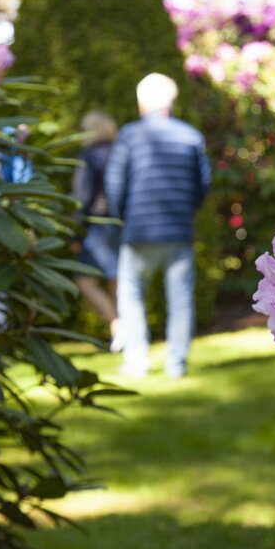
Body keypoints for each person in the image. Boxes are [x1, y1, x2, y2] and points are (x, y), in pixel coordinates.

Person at [105, 73, 212, 378]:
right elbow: (202, 185)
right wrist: (187, 211)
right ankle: (176, 364)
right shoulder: (191, 136)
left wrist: (122, 216)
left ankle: (137, 360)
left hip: (138, 231)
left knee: (131, 294)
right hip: (179, 230)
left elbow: (115, 183)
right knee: (180, 299)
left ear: (142, 102)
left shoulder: (128, 135)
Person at [71, 110, 123, 350]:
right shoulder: (121, 153)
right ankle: (125, 329)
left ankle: (117, 325)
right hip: (120, 224)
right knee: (117, 282)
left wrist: (74, 233)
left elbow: (81, 198)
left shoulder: (88, 157)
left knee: (85, 281)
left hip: (97, 225)